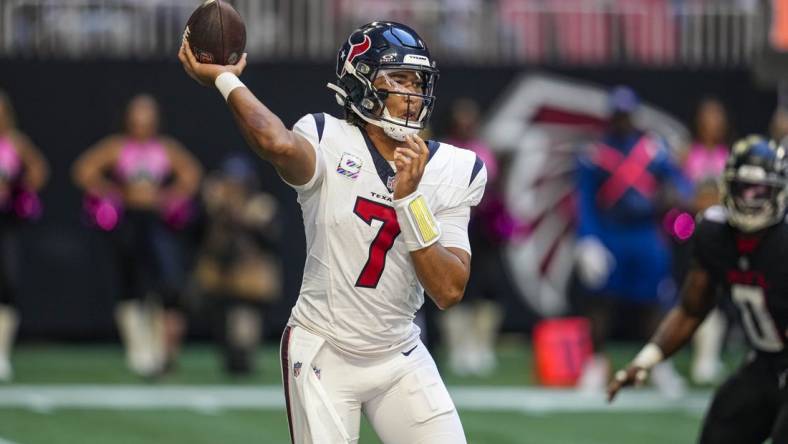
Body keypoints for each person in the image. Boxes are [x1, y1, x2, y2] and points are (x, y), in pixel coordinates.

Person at [179, 21, 485, 444]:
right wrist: (225, 78)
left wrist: (411, 201)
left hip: (399, 353)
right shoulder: (326, 137)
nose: (412, 93)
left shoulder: (455, 169)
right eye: (398, 79)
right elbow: (276, 144)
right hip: (324, 348)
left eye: (418, 80)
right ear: (360, 84)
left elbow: (449, 289)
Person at [609, 135, 788, 443]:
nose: (749, 199)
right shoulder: (714, 233)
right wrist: (646, 360)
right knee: (721, 429)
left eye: (760, 190)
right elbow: (692, 309)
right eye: (742, 188)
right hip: (766, 362)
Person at [72, 94, 202, 378]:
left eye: (147, 117)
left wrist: (169, 196)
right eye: (137, 116)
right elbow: (84, 170)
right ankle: (136, 349)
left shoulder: (164, 148)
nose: (142, 122)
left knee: (163, 282)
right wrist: (112, 192)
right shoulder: (118, 146)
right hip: (128, 219)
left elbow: (191, 173)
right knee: (129, 280)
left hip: (156, 222)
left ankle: (159, 349)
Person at [574, 85, 692, 396]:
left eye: (626, 116)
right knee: (600, 301)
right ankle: (596, 363)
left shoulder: (652, 149)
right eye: (617, 116)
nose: (622, 121)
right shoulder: (595, 154)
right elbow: (584, 200)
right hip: (610, 233)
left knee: (654, 302)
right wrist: (587, 240)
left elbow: (679, 182)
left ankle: (658, 364)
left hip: (645, 233)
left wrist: (678, 196)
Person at [194, 154, 281, 376]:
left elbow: (269, 239)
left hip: (250, 273)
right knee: (223, 324)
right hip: (220, 273)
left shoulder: (260, 205)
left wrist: (240, 215)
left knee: (245, 325)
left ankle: (243, 359)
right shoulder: (214, 202)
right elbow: (200, 233)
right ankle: (232, 358)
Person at [440, 98, 504, 377]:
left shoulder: (483, 151)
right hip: (451, 224)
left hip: (481, 230)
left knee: (487, 286)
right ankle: (458, 347)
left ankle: (481, 345)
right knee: (452, 283)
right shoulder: (444, 149)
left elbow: (493, 189)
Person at [682, 97, 732, 385]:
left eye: (717, 116)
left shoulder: (730, 153)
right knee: (695, 293)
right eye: (707, 116)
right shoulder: (688, 153)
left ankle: (709, 356)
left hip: (725, 235)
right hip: (694, 231)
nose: (713, 122)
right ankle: (696, 356)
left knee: (721, 296)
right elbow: (681, 192)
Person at [0, 91, 49, 382]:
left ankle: (2, 352)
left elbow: (39, 170)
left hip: (6, 222)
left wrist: (17, 189)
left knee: (7, 281)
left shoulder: (15, 143)